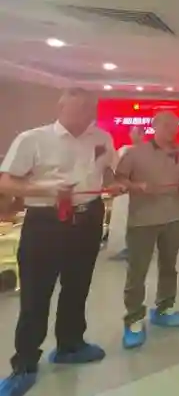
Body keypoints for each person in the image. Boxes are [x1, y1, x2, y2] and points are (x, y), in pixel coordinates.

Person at [0, 88, 123, 396]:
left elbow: (106, 172)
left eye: (90, 110)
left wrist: (113, 184)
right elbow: (7, 182)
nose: (85, 116)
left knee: (77, 287)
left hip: (88, 218)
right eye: (78, 109)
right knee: (36, 294)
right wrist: (45, 189)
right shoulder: (33, 139)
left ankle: (70, 345)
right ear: (61, 107)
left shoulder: (102, 137)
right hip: (46, 222)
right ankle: (25, 363)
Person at [115, 111, 179, 349]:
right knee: (137, 271)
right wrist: (135, 186)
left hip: (173, 217)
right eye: (167, 125)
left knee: (169, 266)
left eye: (176, 125)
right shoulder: (135, 153)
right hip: (142, 221)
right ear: (155, 126)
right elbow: (119, 180)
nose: (173, 130)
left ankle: (164, 308)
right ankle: (133, 319)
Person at [109, 125, 145, 262]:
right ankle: (123, 247)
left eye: (136, 133)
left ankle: (138, 248)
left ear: (142, 134)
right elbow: (115, 169)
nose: (133, 135)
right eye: (132, 132)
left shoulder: (148, 152)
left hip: (140, 191)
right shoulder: (124, 149)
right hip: (123, 191)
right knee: (121, 219)